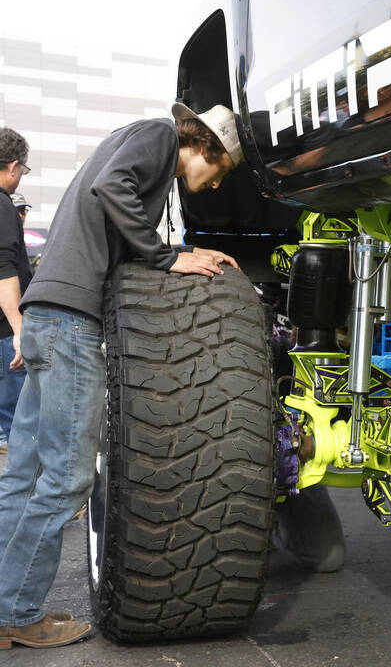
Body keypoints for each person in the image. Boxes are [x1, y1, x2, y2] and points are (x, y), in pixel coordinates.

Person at [0, 105, 243, 650]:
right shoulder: (157, 135)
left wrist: (178, 251)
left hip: (44, 316)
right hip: (69, 326)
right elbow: (114, 188)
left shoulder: (132, 143)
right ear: (205, 146)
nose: (216, 182)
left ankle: (3, 602)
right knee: (66, 480)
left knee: (24, 474)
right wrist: (165, 258)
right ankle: (15, 614)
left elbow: (110, 215)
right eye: (222, 169)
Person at [0, 131, 33, 456]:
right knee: (19, 431)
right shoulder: (3, 206)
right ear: (13, 166)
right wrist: (19, 330)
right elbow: (4, 270)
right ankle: (22, 505)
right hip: (4, 334)